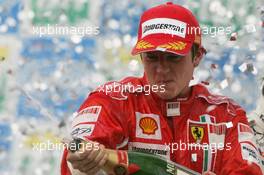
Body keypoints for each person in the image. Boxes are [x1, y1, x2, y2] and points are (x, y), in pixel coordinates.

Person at [61, 2, 263, 175]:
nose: (162, 69)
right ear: (141, 57)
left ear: (197, 57)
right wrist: (81, 159)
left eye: (173, 57)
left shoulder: (227, 116)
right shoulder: (113, 99)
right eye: (151, 56)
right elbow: (76, 151)